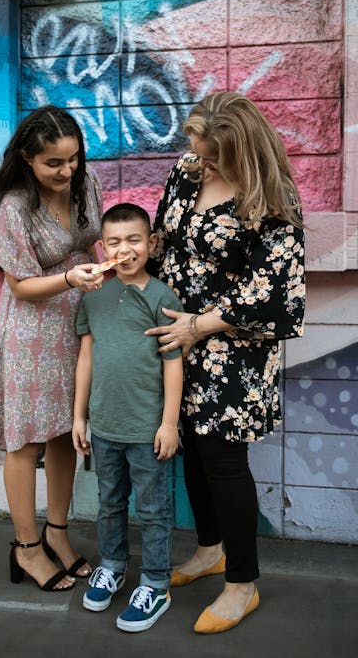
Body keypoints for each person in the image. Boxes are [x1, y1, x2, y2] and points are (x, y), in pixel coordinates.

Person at [145, 90, 305, 633]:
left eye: (211, 155)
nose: (199, 161)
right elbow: (165, 239)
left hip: (232, 346)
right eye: (196, 149)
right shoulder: (188, 170)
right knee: (190, 444)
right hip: (179, 335)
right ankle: (209, 549)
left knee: (223, 459)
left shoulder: (272, 193)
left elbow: (276, 289)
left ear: (240, 150)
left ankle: (242, 585)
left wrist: (201, 324)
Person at [0, 105, 105, 592]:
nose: (67, 170)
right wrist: (71, 277)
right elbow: (21, 286)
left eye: (73, 159)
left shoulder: (85, 185)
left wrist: (106, 275)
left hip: (80, 323)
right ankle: (27, 548)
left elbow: (91, 245)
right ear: (28, 158)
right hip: (33, 333)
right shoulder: (13, 208)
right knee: (27, 439)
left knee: (62, 434)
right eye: (54, 162)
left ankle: (57, 534)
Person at [72, 203, 184, 632]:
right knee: (110, 504)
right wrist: (79, 416)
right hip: (104, 426)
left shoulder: (161, 296)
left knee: (154, 509)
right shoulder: (94, 293)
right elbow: (86, 356)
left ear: (151, 244)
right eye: (115, 241)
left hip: (146, 429)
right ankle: (113, 565)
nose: (125, 249)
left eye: (134, 240)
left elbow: (174, 363)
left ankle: (156, 583)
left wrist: (169, 423)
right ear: (103, 247)